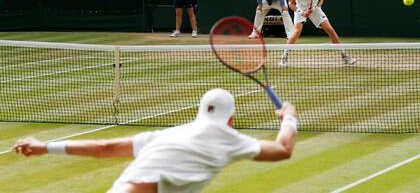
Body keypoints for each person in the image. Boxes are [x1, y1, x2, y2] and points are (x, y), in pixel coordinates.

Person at [13, 89, 298, 193]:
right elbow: (283, 149)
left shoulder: (166, 134)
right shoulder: (229, 138)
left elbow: (104, 148)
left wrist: (44, 146)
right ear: (231, 120)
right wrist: (288, 117)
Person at [279, 0, 356, 67]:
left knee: (329, 29)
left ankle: (344, 56)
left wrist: (314, 8)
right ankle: (284, 58)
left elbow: (321, 0)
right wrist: (302, 12)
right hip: (300, 8)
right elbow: (291, 3)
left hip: (315, 9)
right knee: (297, 31)